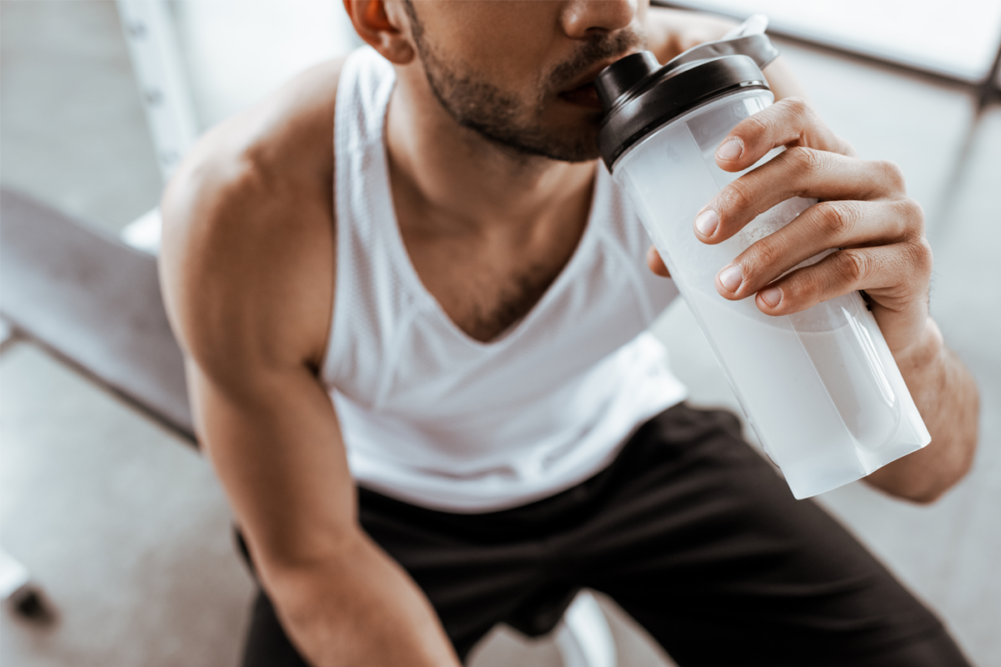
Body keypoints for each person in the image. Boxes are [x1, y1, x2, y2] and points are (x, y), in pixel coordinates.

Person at [159, 2, 980, 665]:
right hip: (383, 504)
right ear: (383, 20)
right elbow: (309, 557)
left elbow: (927, 473)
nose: (610, 12)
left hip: (628, 445)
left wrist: (901, 340)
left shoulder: (717, 113)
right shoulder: (250, 209)